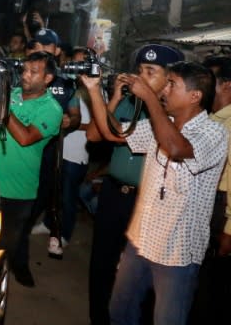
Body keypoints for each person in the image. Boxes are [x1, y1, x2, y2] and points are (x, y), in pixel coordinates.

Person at [80, 61, 227, 325]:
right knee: (120, 312)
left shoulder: (214, 132)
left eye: (172, 84)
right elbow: (112, 133)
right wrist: (94, 91)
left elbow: (176, 148)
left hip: (177, 252)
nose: (165, 90)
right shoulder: (162, 123)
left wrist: (148, 97)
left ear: (195, 96)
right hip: (141, 240)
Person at [84, 43, 183, 325]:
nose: (140, 77)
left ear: (170, 78)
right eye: (139, 70)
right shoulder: (129, 102)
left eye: (151, 72)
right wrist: (113, 97)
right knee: (102, 264)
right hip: (115, 194)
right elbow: (94, 135)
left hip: (146, 203)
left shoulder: (172, 115)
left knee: (140, 277)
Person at [0, 51, 63, 287]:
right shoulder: (12, 94)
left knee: (4, 249)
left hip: (18, 191)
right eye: (24, 70)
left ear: (47, 78)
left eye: (33, 72)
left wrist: (2, 99)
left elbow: (25, 138)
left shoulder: (52, 109)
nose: (25, 75)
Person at [25, 27, 81, 259]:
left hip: (50, 152)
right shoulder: (24, 75)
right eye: (37, 45)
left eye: (46, 46)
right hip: (22, 150)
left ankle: (47, 231)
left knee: (46, 193)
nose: (41, 50)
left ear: (57, 50)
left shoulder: (67, 83)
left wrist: (71, 120)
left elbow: (75, 115)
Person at [188, 55, 231, 323]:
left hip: (221, 210)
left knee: (212, 291)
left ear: (226, 86)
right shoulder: (211, 119)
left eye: (210, 82)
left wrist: (229, 230)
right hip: (206, 205)